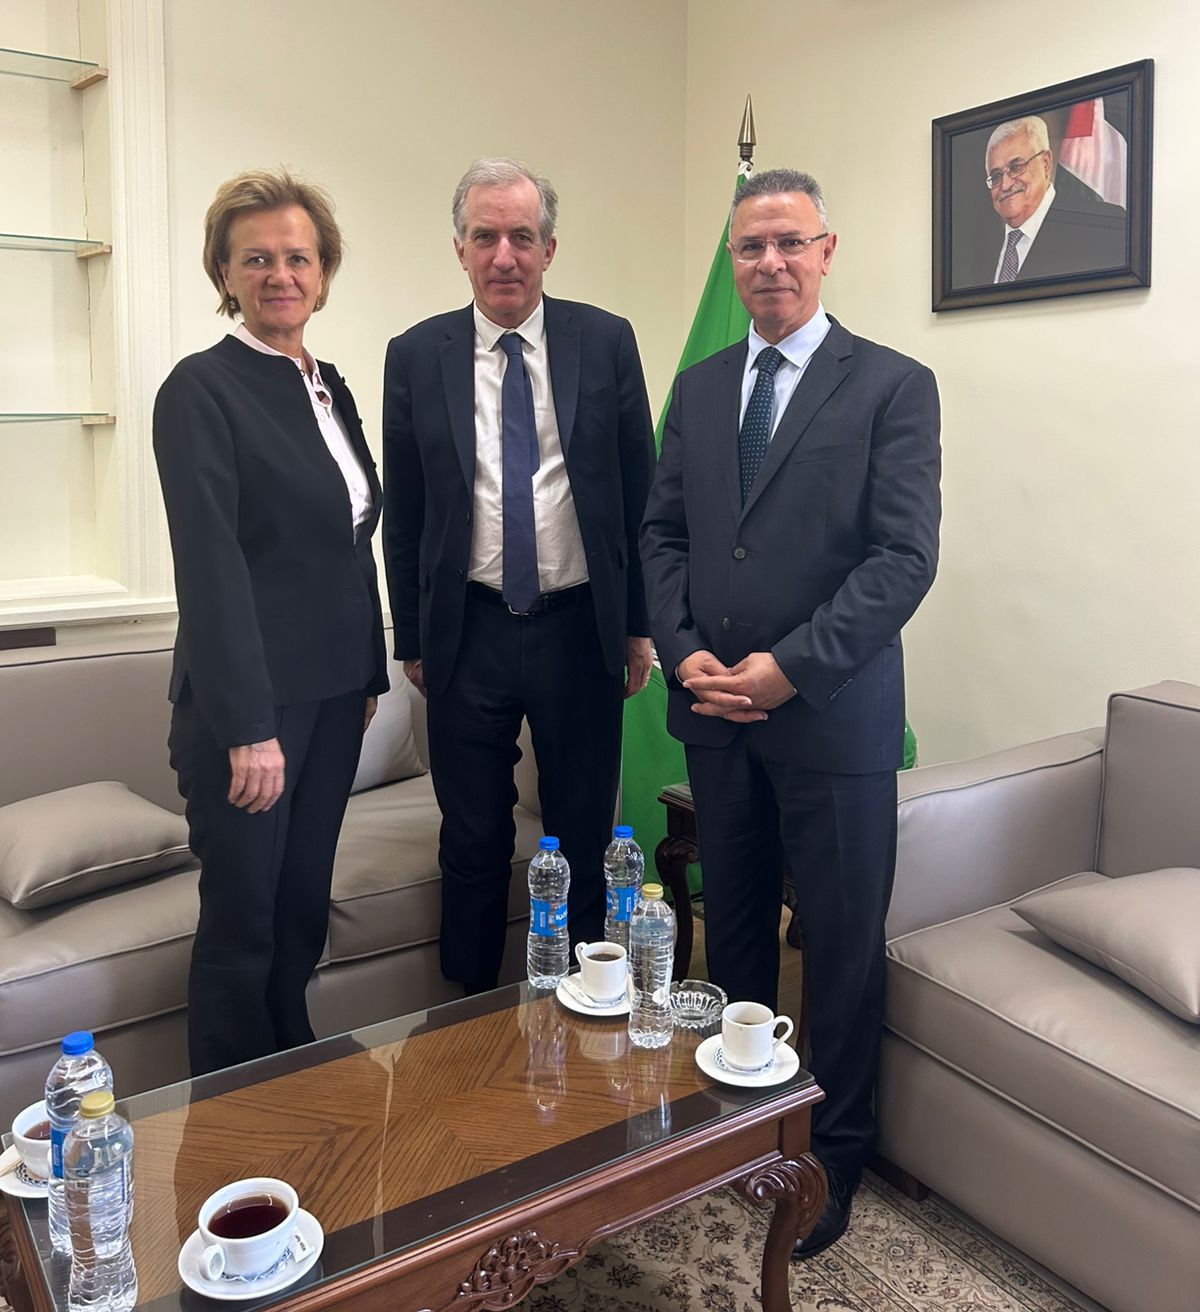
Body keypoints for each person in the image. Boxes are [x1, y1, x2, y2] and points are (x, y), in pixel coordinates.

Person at [640, 167, 941, 1259]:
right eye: (750, 247)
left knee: (843, 951)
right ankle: (739, 1127)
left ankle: (835, 1157)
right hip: (715, 712)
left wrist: (788, 670)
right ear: (732, 261)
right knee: (735, 938)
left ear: (826, 250)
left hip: (832, 720)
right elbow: (664, 533)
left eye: (789, 243)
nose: (769, 262)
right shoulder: (702, 385)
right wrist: (682, 648)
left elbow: (904, 558)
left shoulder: (893, 385)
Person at [382, 157, 656, 995]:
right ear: (460, 250)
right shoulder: (415, 355)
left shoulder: (605, 341)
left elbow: (640, 492)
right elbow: (406, 510)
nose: (505, 255)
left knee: (583, 830)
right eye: (486, 237)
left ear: (549, 249)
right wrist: (413, 640)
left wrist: (638, 626)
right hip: (469, 631)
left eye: (522, 237)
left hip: (579, 626)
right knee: (471, 839)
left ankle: (586, 1007)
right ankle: (465, 1018)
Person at [153, 169, 388, 1074]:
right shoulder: (200, 390)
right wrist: (249, 730)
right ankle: (225, 1120)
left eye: (298, 257)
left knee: (298, 911)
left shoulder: (327, 385)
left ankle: (291, 1082)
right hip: (248, 713)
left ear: (323, 272)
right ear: (225, 272)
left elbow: (348, 543)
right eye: (256, 259)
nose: (280, 275)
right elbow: (211, 570)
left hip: (332, 699)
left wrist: (367, 676)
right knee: (243, 924)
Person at [982, 114, 1125, 284]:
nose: (1005, 185)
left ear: (1046, 163)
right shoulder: (979, 247)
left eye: (1016, 167)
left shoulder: (1103, 227)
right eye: (996, 176)